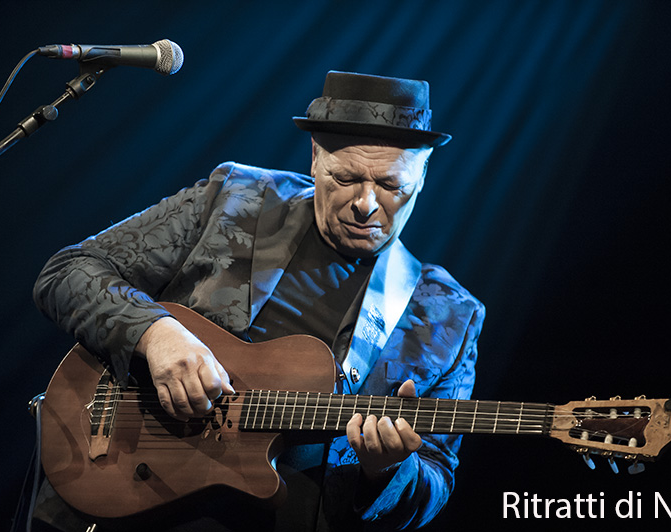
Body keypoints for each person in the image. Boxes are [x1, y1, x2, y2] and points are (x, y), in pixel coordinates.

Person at [31, 70, 485, 531]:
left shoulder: (448, 314)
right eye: (346, 177)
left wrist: (389, 469)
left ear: (423, 175)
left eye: (391, 186)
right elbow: (68, 271)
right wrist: (154, 333)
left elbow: (436, 479)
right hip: (119, 490)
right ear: (315, 158)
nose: (366, 203)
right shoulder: (235, 198)